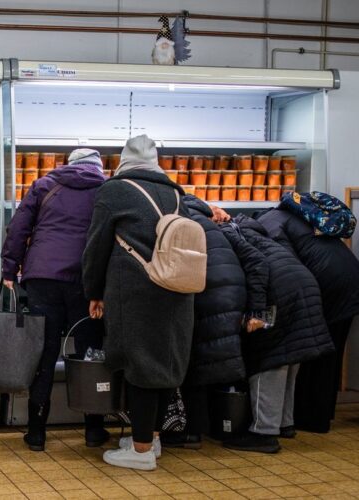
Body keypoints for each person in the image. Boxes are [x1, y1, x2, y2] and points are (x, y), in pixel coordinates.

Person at [82, 135, 194, 471]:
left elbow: (97, 246)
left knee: (140, 365)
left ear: (123, 160)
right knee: (162, 364)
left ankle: (141, 450)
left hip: (136, 291)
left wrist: (93, 291)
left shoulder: (114, 191)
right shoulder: (176, 192)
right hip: (176, 290)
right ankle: (152, 438)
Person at [1, 148, 109, 451]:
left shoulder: (45, 184)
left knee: (44, 352)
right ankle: (93, 429)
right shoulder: (106, 190)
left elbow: (18, 228)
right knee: (90, 352)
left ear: (69, 165)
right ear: (98, 168)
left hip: (42, 277)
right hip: (86, 281)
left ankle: (36, 432)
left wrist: (10, 268)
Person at [219, 214, 334, 453]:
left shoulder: (229, 232)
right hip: (303, 283)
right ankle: (284, 423)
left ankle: (264, 432)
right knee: (290, 357)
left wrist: (256, 312)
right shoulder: (259, 231)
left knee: (269, 358)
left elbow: (256, 265)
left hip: (280, 291)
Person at [160, 198, 268, 450]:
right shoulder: (209, 225)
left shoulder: (182, 223)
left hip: (208, 296)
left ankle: (191, 432)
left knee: (194, 363)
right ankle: (219, 427)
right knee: (212, 360)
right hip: (231, 295)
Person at [259, 199, 359, 434]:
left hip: (328, 283)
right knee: (331, 352)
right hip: (350, 278)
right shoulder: (298, 217)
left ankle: (310, 418)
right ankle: (321, 415)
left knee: (313, 350)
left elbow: (284, 265)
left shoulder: (267, 222)